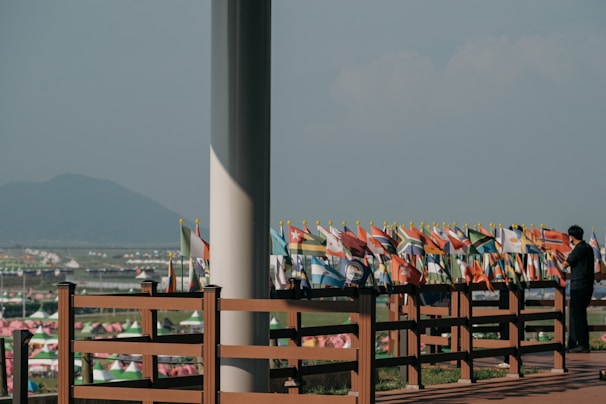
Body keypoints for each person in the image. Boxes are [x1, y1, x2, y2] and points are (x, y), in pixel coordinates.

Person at [561, 224, 594, 353]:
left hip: (578, 286)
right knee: (579, 315)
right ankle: (576, 343)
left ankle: (581, 344)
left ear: (572, 237)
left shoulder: (579, 249)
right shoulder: (588, 248)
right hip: (587, 286)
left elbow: (565, 264)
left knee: (577, 316)